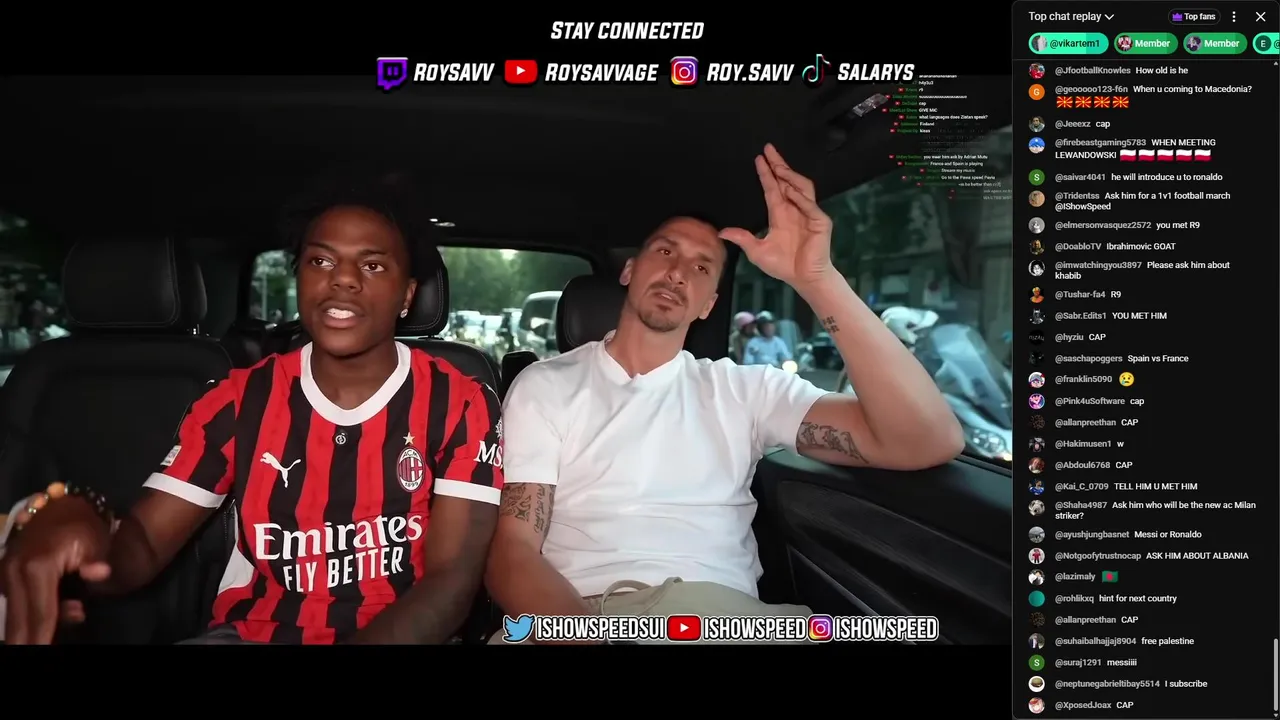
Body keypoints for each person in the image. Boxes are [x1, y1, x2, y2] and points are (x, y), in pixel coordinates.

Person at [486, 144, 964, 643]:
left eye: (701, 268)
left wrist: (817, 279)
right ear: (629, 271)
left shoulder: (747, 390)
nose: (677, 272)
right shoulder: (547, 384)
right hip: (580, 614)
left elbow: (925, 439)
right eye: (665, 251)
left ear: (709, 305)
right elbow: (514, 550)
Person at [0, 180, 503, 645]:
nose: (343, 279)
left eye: (372, 266)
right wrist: (80, 524)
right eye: (321, 261)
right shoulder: (237, 401)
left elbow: (451, 580)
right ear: (300, 277)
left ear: (406, 295)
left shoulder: (461, 402)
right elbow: (144, 545)